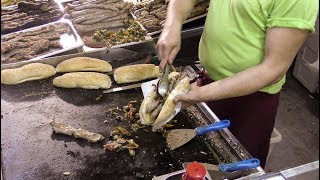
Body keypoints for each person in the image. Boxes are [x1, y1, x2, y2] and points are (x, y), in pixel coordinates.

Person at [156, 0, 318, 168]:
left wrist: (202, 94)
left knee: (235, 168)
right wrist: (172, 25)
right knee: (199, 162)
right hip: (207, 83)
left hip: (251, 102)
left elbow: (273, 69)